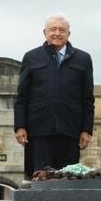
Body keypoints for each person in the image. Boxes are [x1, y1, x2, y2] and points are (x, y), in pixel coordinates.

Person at [14, 14, 95, 173]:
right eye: (53, 29)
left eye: (62, 30)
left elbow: (87, 99)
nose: (57, 33)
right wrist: (20, 126)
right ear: (45, 32)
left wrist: (86, 129)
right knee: (40, 179)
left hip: (70, 130)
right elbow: (22, 97)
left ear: (68, 34)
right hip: (39, 130)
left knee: (68, 181)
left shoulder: (83, 59)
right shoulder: (31, 57)